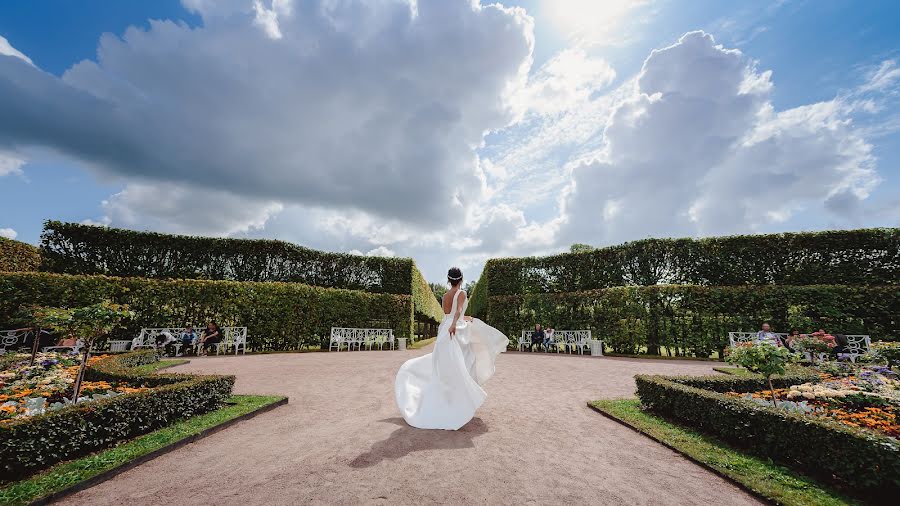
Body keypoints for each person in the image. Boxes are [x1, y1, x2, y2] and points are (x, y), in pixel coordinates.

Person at [395, 267, 509, 430]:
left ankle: (452, 400)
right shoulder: (461, 293)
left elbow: (449, 314)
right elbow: (459, 310)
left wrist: (462, 319)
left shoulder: (444, 296)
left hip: (445, 329)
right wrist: (456, 324)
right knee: (466, 362)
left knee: (447, 367)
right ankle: (461, 401)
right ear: (461, 280)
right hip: (455, 330)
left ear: (449, 280)